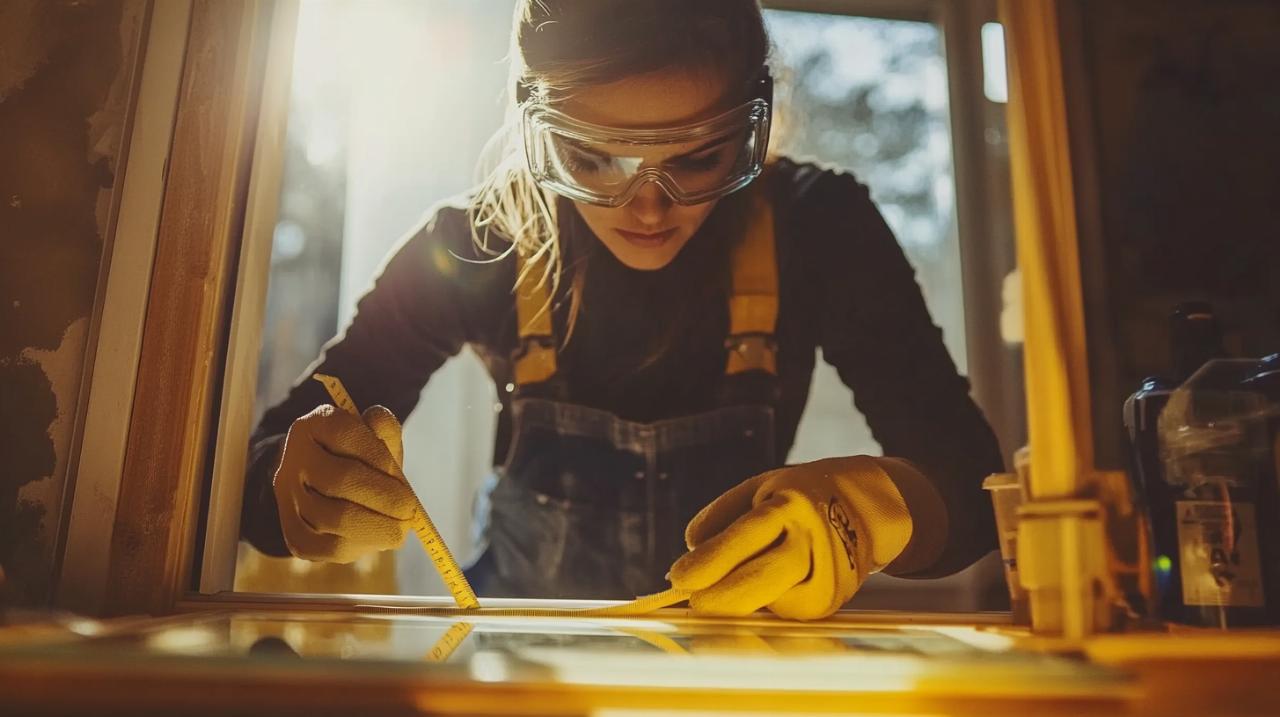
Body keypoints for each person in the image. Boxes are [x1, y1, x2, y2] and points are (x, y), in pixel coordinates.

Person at [241, 0, 1003, 621]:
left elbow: (973, 480)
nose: (647, 206)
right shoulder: (477, 246)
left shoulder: (819, 229)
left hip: (727, 683)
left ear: (754, 119)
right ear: (534, 124)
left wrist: (870, 509)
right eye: (593, 158)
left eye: (697, 158)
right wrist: (299, 486)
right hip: (526, 682)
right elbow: (255, 474)